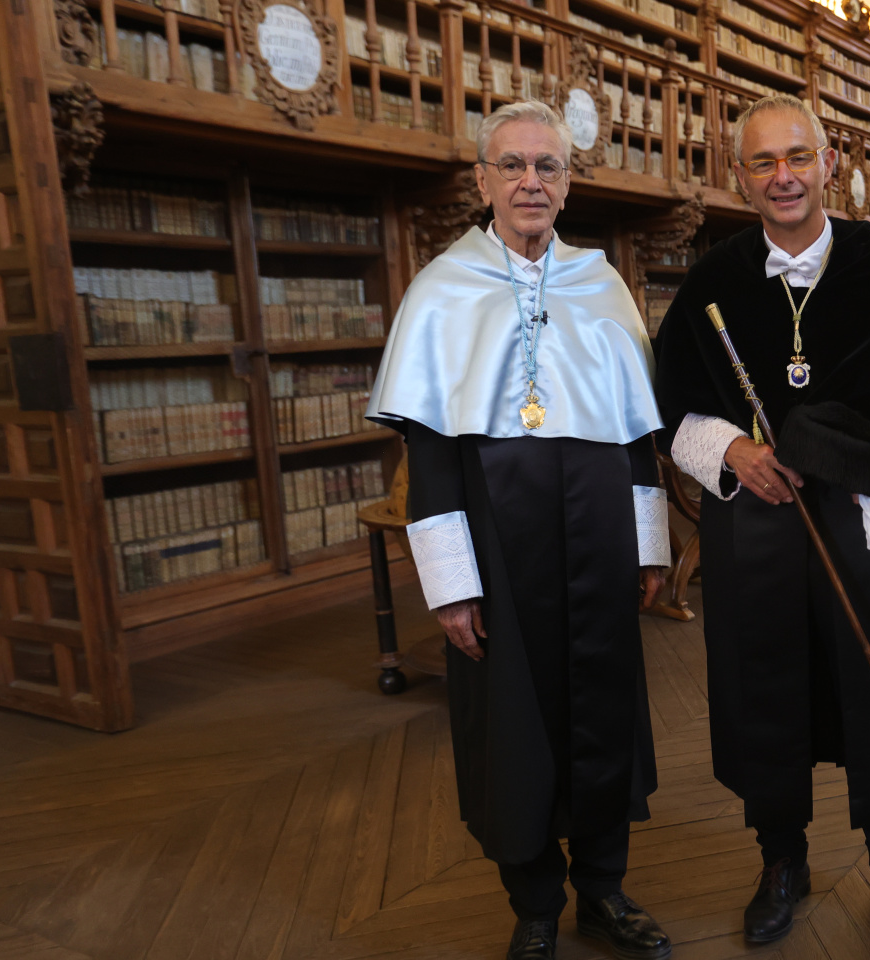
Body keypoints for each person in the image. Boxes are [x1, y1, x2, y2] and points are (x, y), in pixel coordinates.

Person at [366, 100, 673, 960]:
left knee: (606, 709)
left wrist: (650, 546)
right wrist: (450, 585)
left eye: (548, 166)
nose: (531, 181)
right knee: (512, 722)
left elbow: (638, 437)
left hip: (602, 541)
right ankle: (534, 903)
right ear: (482, 181)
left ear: (568, 185)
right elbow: (429, 453)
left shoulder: (602, 286)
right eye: (513, 165)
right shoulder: (442, 289)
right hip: (498, 551)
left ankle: (603, 891)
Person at [653, 94, 870, 958]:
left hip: (862, 523)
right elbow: (672, 405)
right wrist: (733, 450)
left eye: (797, 157)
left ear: (830, 164)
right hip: (758, 524)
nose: (782, 176)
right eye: (762, 162)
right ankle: (780, 860)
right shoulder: (713, 281)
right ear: (739, 176)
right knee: (765, 687)